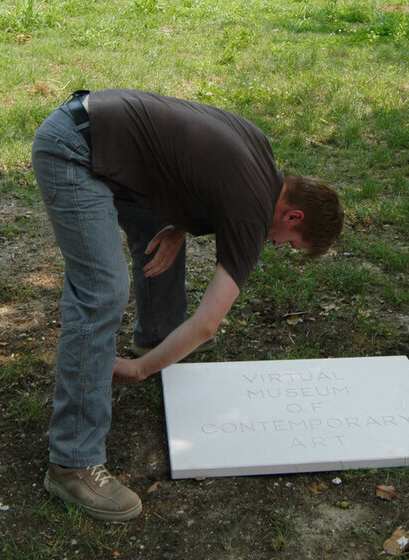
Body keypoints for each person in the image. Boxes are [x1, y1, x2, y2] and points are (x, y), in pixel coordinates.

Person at [31, 88, 343, 521]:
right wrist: (140, 373)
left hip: (97, 135)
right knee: (102, 292)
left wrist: (180, 226)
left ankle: (156, 341)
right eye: (288, 243)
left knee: (161, 237)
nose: (275, 245)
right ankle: (72, 461)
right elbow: (207, 324)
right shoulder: (252, 211)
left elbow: (188, 167)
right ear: (294, 216)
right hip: (74, 151)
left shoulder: (261, 160)